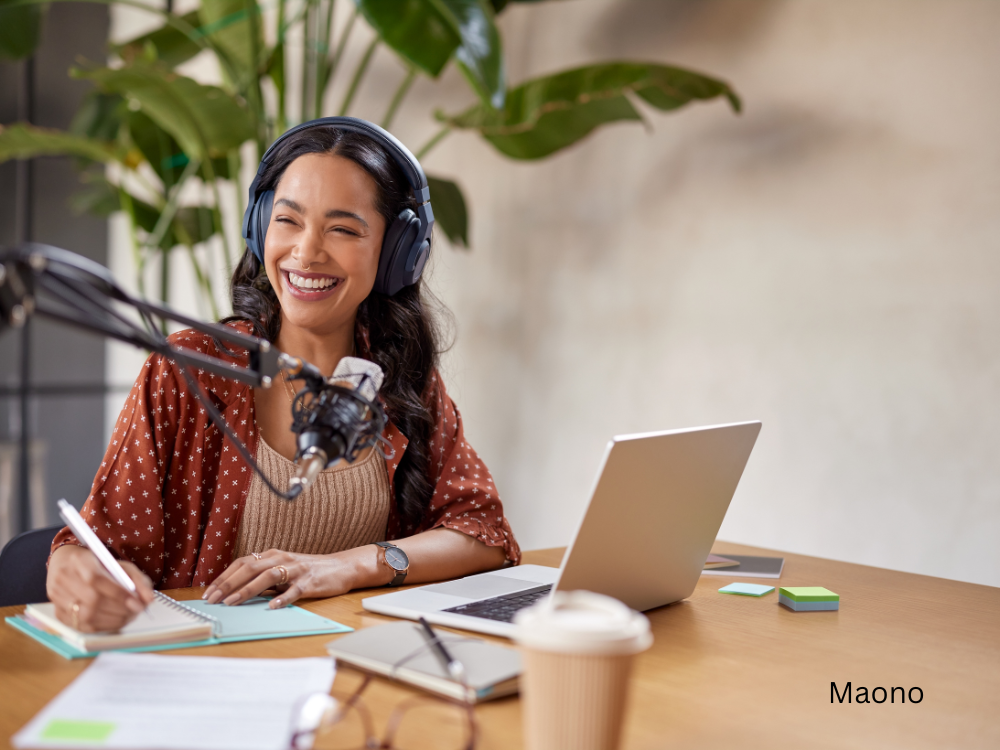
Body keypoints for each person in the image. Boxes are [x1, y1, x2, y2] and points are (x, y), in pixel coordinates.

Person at [46, 121, 520, 633]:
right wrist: (73, 571)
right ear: (259, 227)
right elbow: (96, 547)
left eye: (342, 229)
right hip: (209, 672)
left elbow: (483, 531)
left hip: (358, 674)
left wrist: (348, 565)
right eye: (288, 220)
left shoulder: (396, 378)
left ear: (395, 253)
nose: (306, 252)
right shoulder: (190, 370)